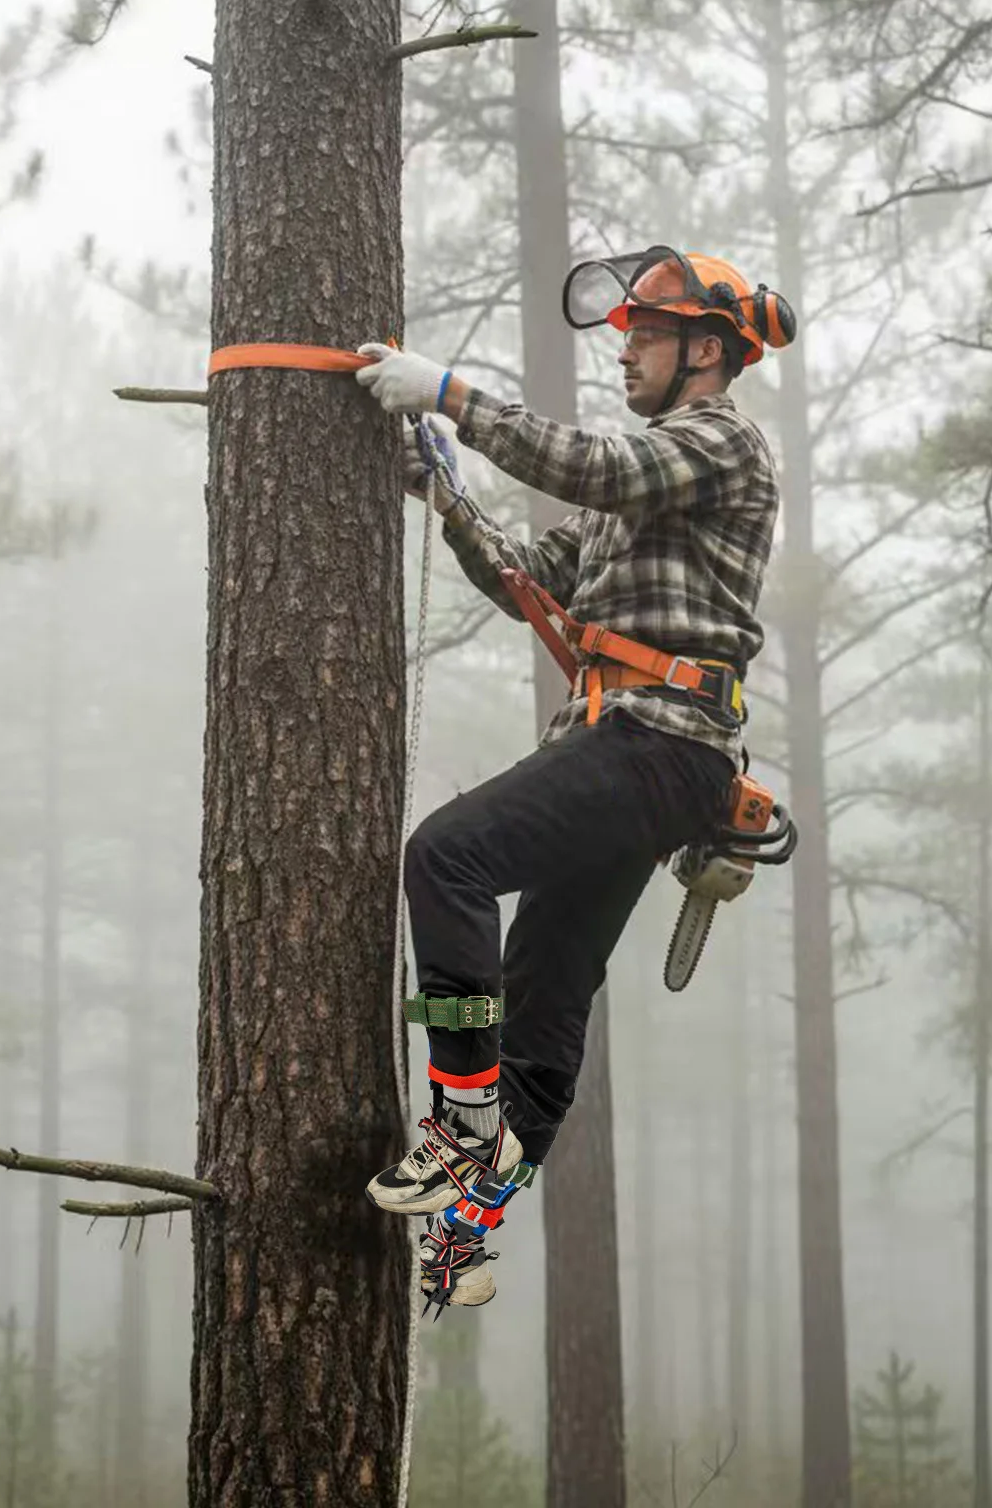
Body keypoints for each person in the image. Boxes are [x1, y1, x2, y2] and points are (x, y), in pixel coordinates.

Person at [353, 247, 796, 1312]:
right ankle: (467, 1235)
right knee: (545, 996)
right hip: (624, 750)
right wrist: (440, 486)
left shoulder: (718, 443)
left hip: (659, 743)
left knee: (446, 857)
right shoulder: (638, 488)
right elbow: (525, 581)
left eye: (644, 334)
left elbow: (598, 465)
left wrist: (452, 394)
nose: (625, 350)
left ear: (704, 351)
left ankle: (461, 1129)